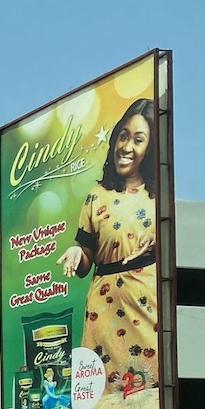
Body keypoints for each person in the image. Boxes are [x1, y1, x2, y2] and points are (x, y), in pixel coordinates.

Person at [58, 99, 158, 383]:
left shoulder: (159, 196)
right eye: (123, 136)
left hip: (146, 307)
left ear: (150, 149)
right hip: (101, 314)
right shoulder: (96, 194)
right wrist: (77, 253)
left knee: (150, 387)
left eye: (138, 140)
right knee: (101, 393)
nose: (126, 147)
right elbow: (86, 260)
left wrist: (155, 241)